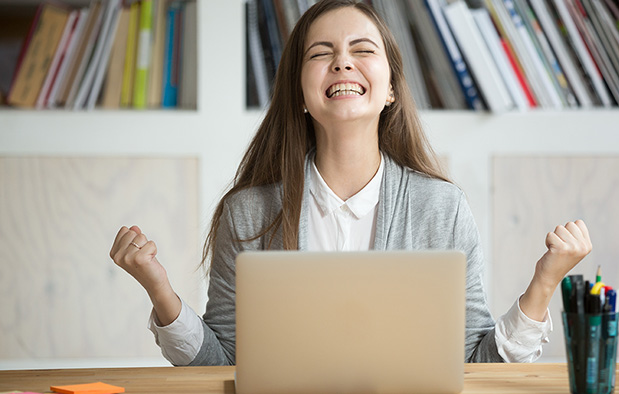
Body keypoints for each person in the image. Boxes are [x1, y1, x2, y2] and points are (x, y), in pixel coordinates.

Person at [109, 0, 592, 366]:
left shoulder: (442, 208)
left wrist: (546, 279)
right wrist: (160, 291)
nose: (342, 62)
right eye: (322, 53)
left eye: (362, 50)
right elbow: (223, 364)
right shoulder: (249, 212)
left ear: (390, 90)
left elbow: (475, 366)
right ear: (299, 92)